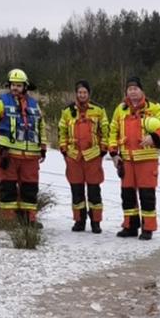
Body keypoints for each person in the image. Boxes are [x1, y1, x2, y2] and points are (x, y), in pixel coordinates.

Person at [110, 76, 160, 241]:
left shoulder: (154, 107)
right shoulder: (120, 109)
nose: (132, 92)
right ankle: (130, 226)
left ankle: (148, 228)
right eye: (129, 89)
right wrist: (114, 154)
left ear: (141, 90)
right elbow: (113, 131)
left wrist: (155, 136)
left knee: (147, 196)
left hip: (147, 160)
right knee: (127, 195)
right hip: (127, 160)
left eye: (135, 89)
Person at [0, 68, 45, 223]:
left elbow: (41, 126)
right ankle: (8, 221)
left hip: (31, 156)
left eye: (19, 85)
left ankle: (29, 220)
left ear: (25, 86)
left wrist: (43, 148)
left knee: (30, 188)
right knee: (7, 188)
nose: (15, 88)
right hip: (7, 154)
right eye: (13, 85)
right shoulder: (0, 101)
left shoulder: (34, 104)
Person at [58, 80, 111, 233]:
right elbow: (62, 132)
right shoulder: (67, 111)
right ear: (76, 94)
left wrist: (103, 149)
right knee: (77, 191)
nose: (82, 95)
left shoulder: (99, 110)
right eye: (80, 92)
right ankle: (79, 221)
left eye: (85, 92)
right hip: (74, 157)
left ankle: (96, 222)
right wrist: (64, 150)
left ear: (89, 94)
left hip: (93, 156)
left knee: (94, 191)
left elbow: (105, 131)